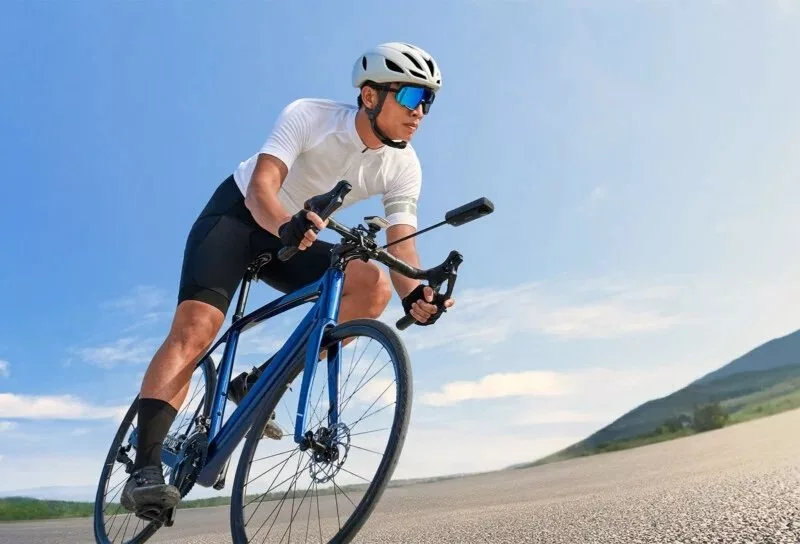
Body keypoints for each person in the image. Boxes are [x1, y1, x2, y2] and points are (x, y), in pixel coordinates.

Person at [120, 41, 454, 516]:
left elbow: (401, 244)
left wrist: (417, 292)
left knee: (372, 285)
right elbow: (261, 188)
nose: (420, 111)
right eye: (410, 96)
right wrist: (284, 227)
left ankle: (260, 382)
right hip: (237, 220)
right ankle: (145, 469)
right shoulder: (311, 116)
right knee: (195, 330)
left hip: (297, 236)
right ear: (370, 96)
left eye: (428, 101)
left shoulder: (404, 164)